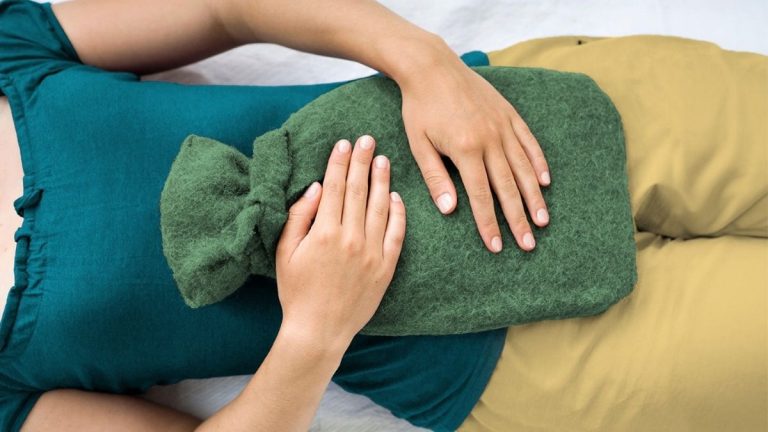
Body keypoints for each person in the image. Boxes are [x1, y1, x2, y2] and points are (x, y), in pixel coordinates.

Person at [1, 0, 548, 430]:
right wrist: (314, 332)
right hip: (504, 357)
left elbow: (227, 6)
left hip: (509, 111)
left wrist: (425, 62)